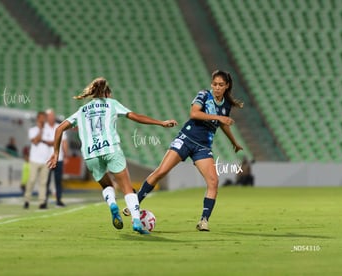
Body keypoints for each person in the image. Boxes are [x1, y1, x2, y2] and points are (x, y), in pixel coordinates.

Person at [47, 77, 177, 234]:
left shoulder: (82, 110)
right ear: (107, 93)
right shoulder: (112, 104)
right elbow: (135, 116)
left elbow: (59, 129)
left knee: (107, 185)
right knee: (127, 188)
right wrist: (160, 123)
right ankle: (136, 221)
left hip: (91, 154)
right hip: (111, 149)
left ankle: (112, 205)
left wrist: (55, 153)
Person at [125, 70, 244, 231]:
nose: (217, 87)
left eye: (220, 85)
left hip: (203, 147)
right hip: (186, 139)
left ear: (227, 86)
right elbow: (194, 113)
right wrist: (218, 118)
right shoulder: (203, 95)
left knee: (213, 182)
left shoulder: (226, 105)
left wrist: (234, 142)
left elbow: (223, 124)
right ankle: (135, 204)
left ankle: (204, 221)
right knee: (161, 171)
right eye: (214, 84)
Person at [24, 111, 51, 209]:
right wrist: (40, 131)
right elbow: (35, 141)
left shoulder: (49, 130)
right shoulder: (33, 130)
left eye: (44, 117)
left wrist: (42, 139)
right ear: (37, 119)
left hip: (45, 160)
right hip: (34, 160)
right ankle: (27, 199)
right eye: (41, 118)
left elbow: (52, 142)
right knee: (31, 180)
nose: (43, 119)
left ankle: (42, 202)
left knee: (43, 182)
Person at [45, 109, 68, 207]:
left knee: (58, 181)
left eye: (52, 116)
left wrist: (66, 155)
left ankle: (58, 200)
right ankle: (44, 200)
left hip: (59, 158)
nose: (51, 117)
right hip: (46, 159)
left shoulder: (59, 127)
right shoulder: (44, 128)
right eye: (50, 116)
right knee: (46, 181)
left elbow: (64, 142)